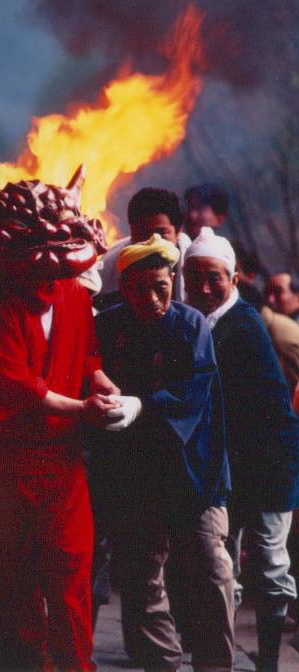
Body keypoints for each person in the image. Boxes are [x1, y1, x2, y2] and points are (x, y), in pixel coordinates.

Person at [0, 165, 121, 670]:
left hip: (62, 465)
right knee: (14, 582)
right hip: (4, 466)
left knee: (72, 573)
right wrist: (86, 410)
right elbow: (22, 391)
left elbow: (87, 359)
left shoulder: (73, 298)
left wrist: (102, 385)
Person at [92, 233, 234, 672]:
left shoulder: (190, 326)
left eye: (162, 287)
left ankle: (215, 666)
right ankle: (163, 663)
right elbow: (87, 364)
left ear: (173, 281)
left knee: (211, 571)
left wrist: (143, 405)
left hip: (194, 469)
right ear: (123, 287)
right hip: (135, 474)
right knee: (142, 577)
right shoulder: (109, 325)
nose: (152, 299)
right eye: (140, 289)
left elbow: (193, 393)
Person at [184, 227, 299, 672]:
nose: (205, 288)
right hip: (229, 467)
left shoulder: (243, 325)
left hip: (268, 467)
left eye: (215, 277)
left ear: (234, 279)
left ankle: (267, 661)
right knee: (222, 570)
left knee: (270, 565)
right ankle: (222, 657)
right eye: (195, 278)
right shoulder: (202, 321)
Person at [98, 187, 191, 307]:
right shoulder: (109, 264)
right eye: (142, 233)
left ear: (178, 232)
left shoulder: (195, 262)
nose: (152, 241)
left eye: (161, 233)